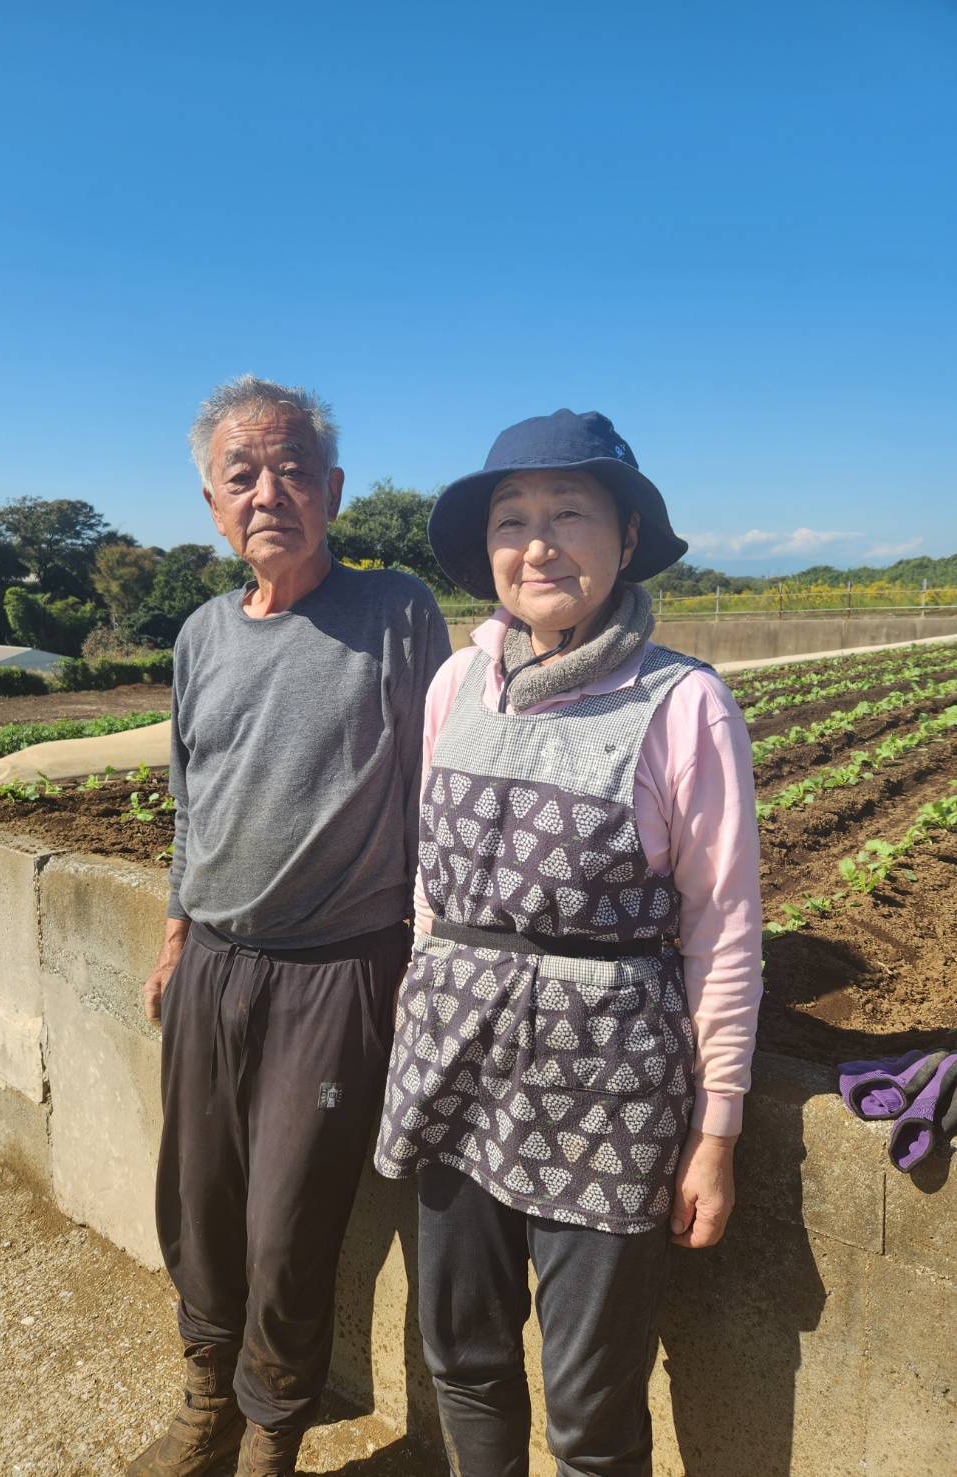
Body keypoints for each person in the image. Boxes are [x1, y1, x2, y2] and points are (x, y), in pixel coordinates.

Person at [374, 409, 762, 1476]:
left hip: (606, 1088)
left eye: (569, 514)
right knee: (463, 1354)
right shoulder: (456, 684)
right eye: (512, 519)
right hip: (453, 1065)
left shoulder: (683, 704)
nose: (537, 544)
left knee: (591, 1407)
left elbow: (723, 931)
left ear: (626, 537)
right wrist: (421, 1009)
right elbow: (432, 882)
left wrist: (717, 1130)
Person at [129, 375, 451, 1477]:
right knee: (196, 1203)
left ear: (333, 490)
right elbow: (193, 806)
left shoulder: (395, 612)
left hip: (338, 971)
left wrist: (428, 958)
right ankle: (205, 1401)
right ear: (213, 505)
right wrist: (176, 936)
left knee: (290, 1221)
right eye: (243, 475)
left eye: (293, 470)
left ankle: (271, 1427)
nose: (269, 492)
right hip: (213, 964)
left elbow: (436, 793)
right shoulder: (200, 637)